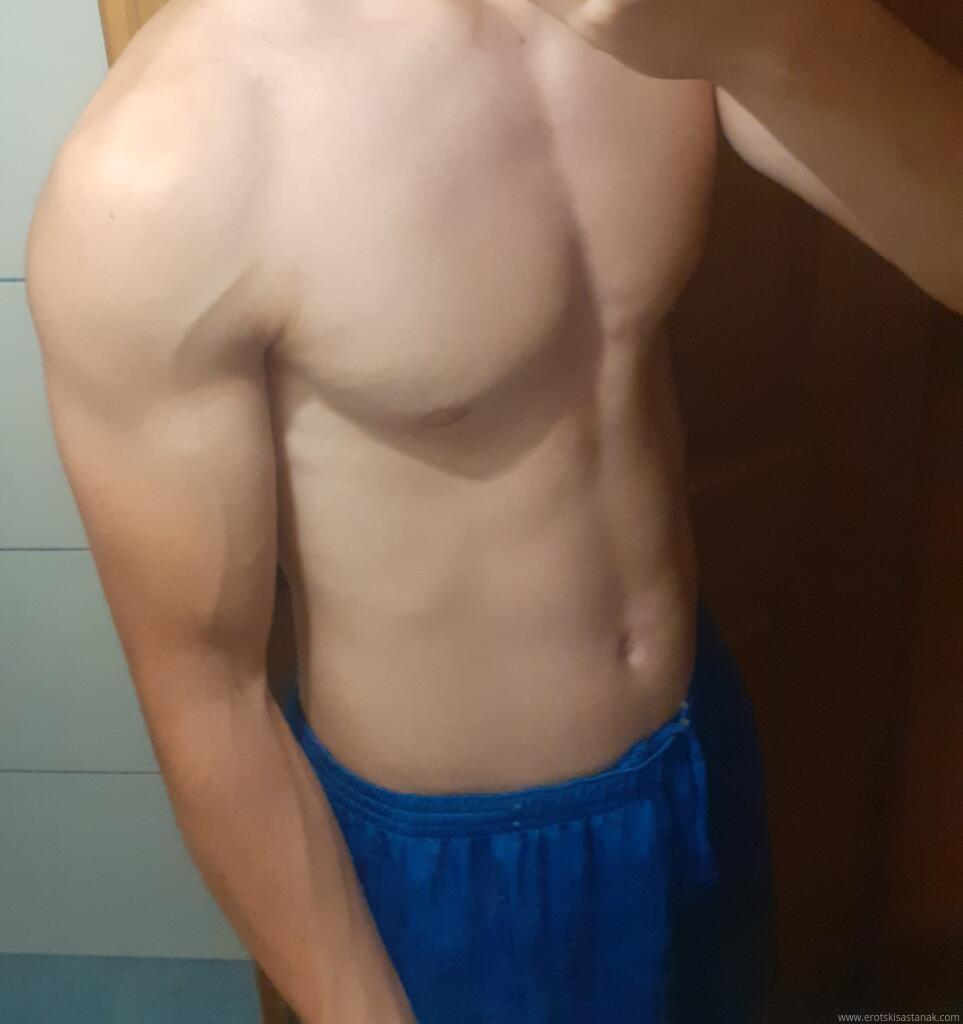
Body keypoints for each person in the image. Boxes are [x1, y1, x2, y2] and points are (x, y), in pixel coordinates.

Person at [24, 0, 962, 1020]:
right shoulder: (164, 165)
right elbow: (208, 696)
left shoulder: (666, 17)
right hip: (459, 870)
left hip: (701, 742)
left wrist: (764, 33)